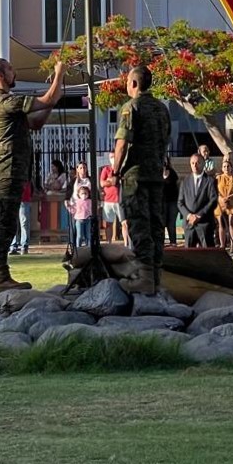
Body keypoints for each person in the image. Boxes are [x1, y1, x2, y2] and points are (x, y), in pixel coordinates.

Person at [0, 55, 65, 293]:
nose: (14, 72)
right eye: (10, 69)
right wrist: (58, 75)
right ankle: (0, 276)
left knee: (8, 222)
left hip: (14, 169)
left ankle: (3, 275)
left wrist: (52, 99)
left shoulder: (6, 103)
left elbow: (36, 122)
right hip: (8, 168)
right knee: (6, 223)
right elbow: (46, 99)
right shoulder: (5, 101)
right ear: (0, 75)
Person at [111, 66, 173, 294]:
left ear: (134, 84)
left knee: (139, 224)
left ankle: (144, 276)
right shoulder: (161, 109)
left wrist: (115, 172)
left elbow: (122, 143)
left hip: (135, 176)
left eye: (128, 81)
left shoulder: (131, 107)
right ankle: (157, 274)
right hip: (155, 175)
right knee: (156, 225)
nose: (126, 85)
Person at [179, 151, 218, 248]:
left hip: (205, 224)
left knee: (207, 257)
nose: (195, 165)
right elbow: (180, 202)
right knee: (189, 258)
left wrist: (199, 215)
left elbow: (213, 200)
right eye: (192, 163)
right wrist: (189, 216)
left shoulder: (210, 181)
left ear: (203, 164)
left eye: (197, 163)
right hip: (189, 225)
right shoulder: (185, 181)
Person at [68, 163, 95, 249]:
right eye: (81, 167)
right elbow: (68, 191)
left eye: (84, 167)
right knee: (76, 232)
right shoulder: (74, 180)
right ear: (78, 169)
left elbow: (95, 191)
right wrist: (67, 202)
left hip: (87, 207)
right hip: (77, 207)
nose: (83, 169)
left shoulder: (90, 180)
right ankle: (75, 247)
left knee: (88, 233)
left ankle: (89, 247)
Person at [216, 157, 233, 251]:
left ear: (231, 167)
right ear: (222, 168)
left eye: (228, 166)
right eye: (224, 166)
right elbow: (215, 190)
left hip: (232, 202)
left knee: (232, 224)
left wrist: (230, 197)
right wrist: (222, 198)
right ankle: (222, 244)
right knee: (221, 224)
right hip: (221, 203)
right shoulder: (219, 178)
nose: (226, 168)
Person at [99, 157, 123, 243]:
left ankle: (127, 243)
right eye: (111, 157)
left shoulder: (122, 169)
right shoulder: (106, 169)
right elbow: (102, 183)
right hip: (108, 200)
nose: (113, 159)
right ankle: (109, 242)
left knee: (124, 223)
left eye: (114, 157)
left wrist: (110, 181)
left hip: (120, 200)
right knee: (108, 223)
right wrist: (112, 182)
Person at [160, 156, 181, 248]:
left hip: (173, 201)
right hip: (161, 202)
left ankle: (173, 242)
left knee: (171, 223)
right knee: (162, 222)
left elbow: (177, 186)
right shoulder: (156, 173)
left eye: (165, 160)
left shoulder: (172, 173)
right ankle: (161, 242)